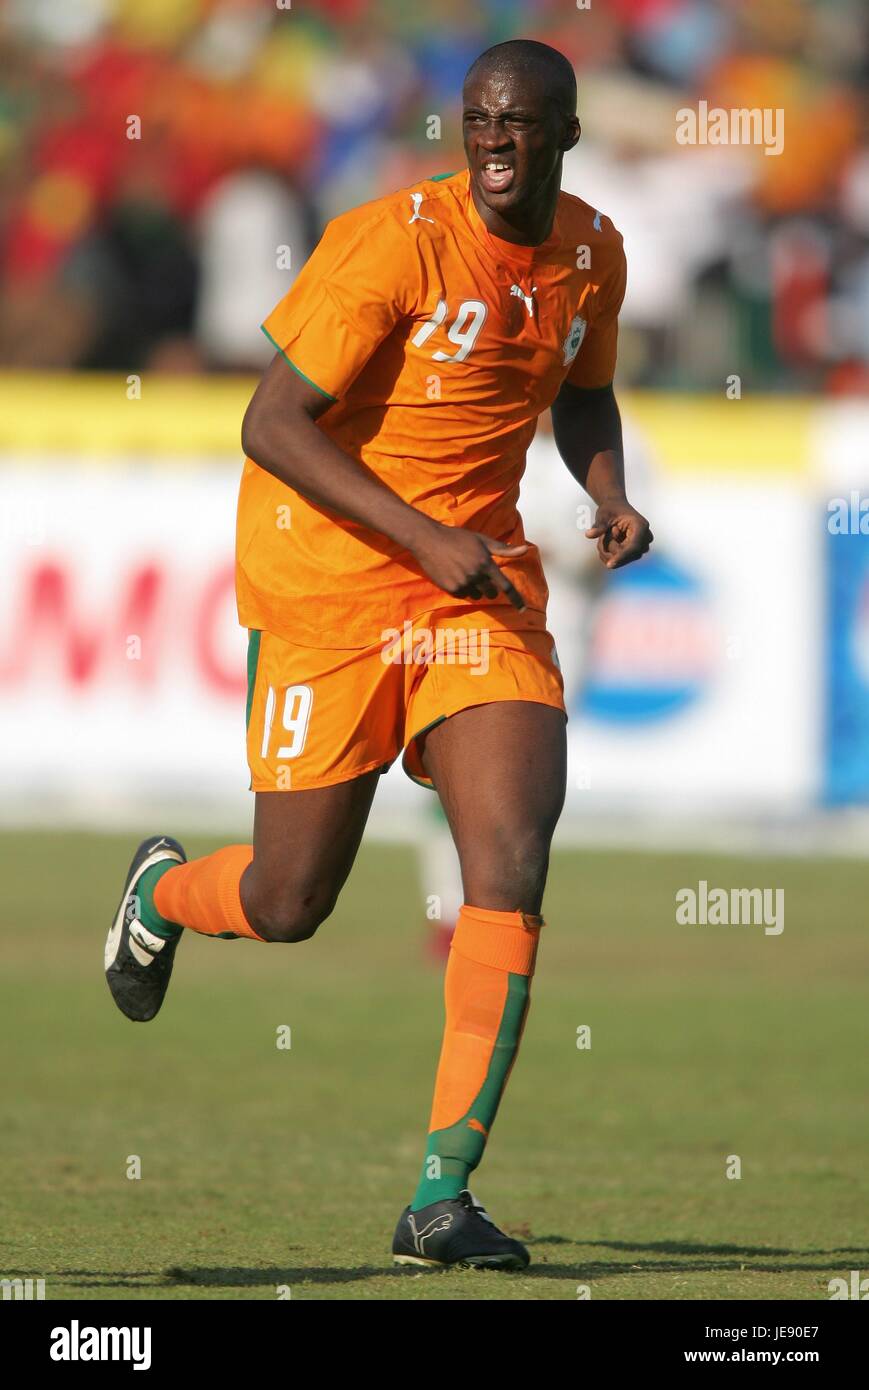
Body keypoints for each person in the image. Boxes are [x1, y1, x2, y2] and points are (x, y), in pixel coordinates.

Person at [105, 38, 652, 1271]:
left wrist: (605, 491)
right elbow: (268, 422)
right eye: (477, 120)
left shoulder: (589, 251)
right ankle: (159, 895)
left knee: (509, 858)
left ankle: (439, 1198)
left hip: (476, 589)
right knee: (288, 899)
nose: (495, 142)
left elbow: (583, 388)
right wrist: (418, 535)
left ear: (565, 133)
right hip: (331, 585)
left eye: (520, 123)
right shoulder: (390, 242)